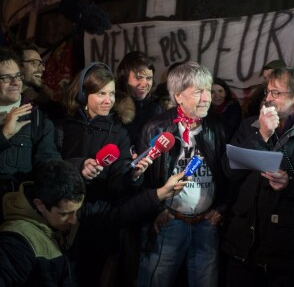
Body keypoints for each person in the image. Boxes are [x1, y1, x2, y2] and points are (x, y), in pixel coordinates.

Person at [0, 159, 189, 286]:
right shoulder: (16, 242)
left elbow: (116, 213)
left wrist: (162, 193)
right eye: (66, 214)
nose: (74, 220)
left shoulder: (66, 214)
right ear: (40, 205)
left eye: (76, 210)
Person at [58, 62, 153, 286]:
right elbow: (49, 165)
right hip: (61, 215)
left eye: (111, 93)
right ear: (83, 93)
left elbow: (118, 184)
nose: (108, 100)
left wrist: (134, 175)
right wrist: (79, 166)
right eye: (101, 93)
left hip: (98, 219)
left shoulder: (119, 132)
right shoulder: (63, 127)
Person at [137, 61, 230, 287]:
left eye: (208, 90)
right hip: (169, 223)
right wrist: (157, 211)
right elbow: (142, 180)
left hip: (207, 225)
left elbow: (229, 173)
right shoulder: (156, 128)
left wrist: (222, 208)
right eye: (199, 92)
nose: (207, 97)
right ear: (178, 96)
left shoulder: (218, 127)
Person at [221, 67, 294, 287]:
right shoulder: (250, 125)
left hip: (286, 254)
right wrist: (262, 134)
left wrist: (289, 184)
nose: (268, 99)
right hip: (242, 246)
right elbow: (229, 170)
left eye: (276, 93)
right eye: (267, 92)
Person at [0, 47, 61, 222]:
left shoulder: (38, 119)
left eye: (18, 76)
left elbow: (48, 162)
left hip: (20, 216)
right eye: (6, 77)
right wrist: (4, 135)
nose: (15, 82)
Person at [116, 51, 164, 145]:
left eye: (149, 78)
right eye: (138, 78)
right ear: (125, 79)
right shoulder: (113, 108)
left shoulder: (157, 108)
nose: (144, 84)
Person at [13, 41, 65, 122]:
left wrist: (40, 99)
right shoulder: (5, 99)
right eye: (35, 63)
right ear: (18, 66)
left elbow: (60, 116)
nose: (42, 69)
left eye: (41, 63)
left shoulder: (40, 98)